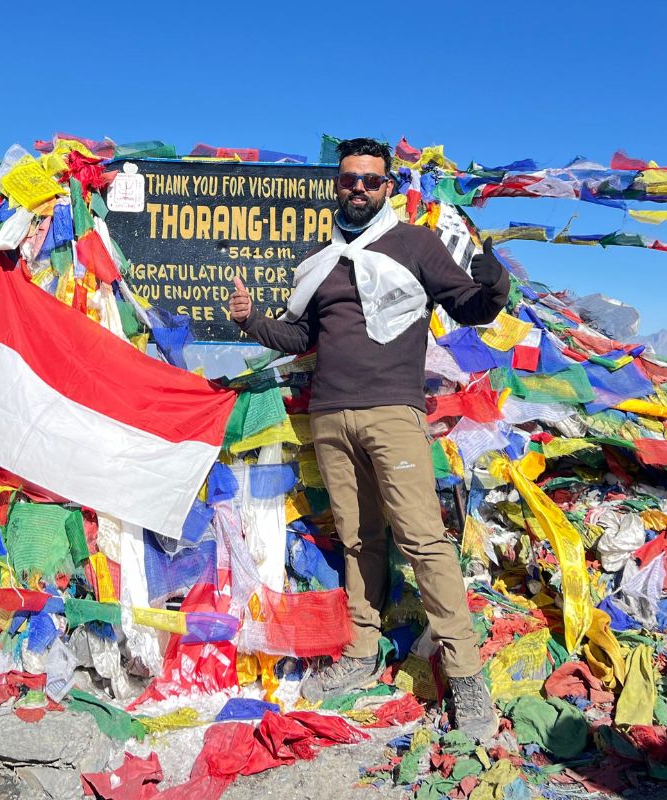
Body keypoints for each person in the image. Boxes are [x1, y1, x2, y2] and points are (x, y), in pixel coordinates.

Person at [228, 137, 509, 739]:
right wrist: (252, 320)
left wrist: (492, 291)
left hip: (392, 413)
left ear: (389, 187)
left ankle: (464, 675)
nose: (359, 188)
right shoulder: (320, 259)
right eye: (350, 179)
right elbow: (302, 336)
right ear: (337, 185)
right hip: (330, 415)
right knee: (357, 539)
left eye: (371, 180)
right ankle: (360, 649)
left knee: (422, 538)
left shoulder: (414, 244)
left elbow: (465, 305)